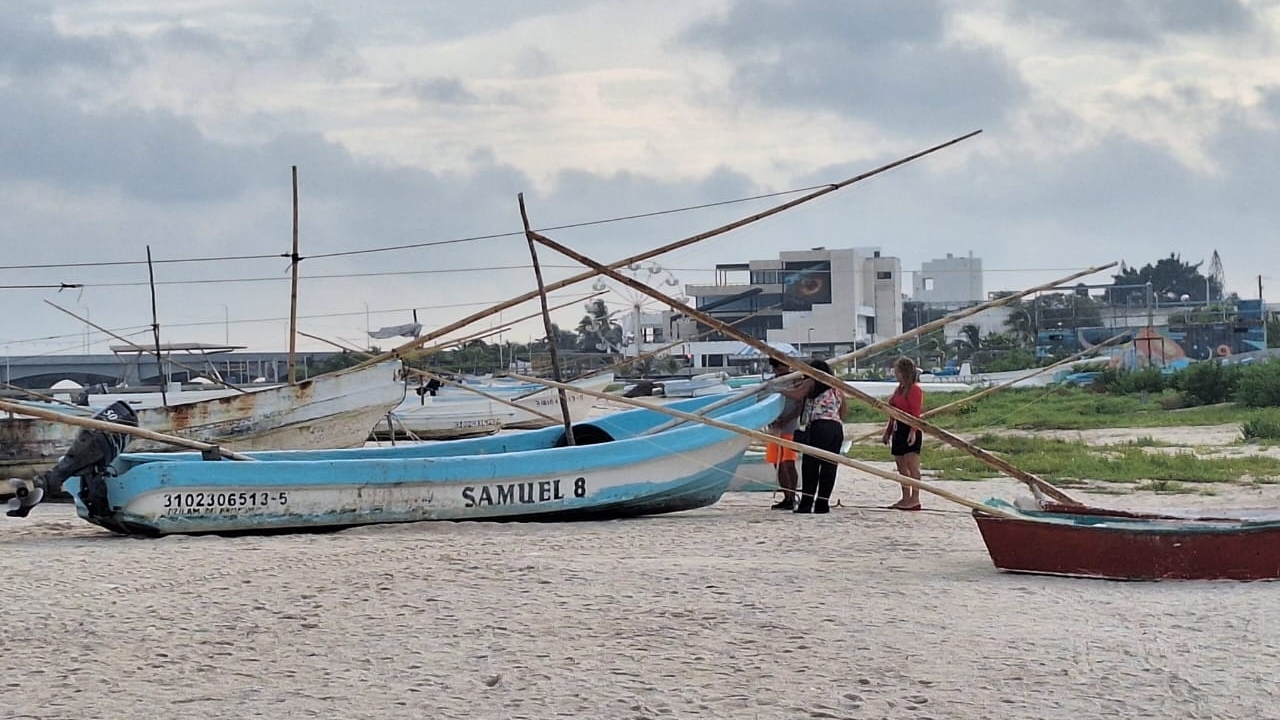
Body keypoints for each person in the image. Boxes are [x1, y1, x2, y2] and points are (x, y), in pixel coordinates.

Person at [781, 359, 846, 514]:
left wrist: (779, 390)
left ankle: (806, 503)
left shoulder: (812, 382)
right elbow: (843, 411)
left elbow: (797, 395)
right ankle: (822, 503)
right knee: (829, 467)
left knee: (810, 466)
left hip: (818, 426)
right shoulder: (837, 387)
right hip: (836, 428)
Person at [882, 356, 924, 510]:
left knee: (912, 466)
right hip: (898, 428)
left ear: (903, 372)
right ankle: (905, 498)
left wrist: (913, 431)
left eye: (897, 371)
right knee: (901, 467)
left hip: (910, 428)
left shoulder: (914, 390)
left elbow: (915, 413)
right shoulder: (899, 389)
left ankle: (915, 498)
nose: (895, 373)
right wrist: (888, 432)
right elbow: (893, 412)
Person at [764, 357, 802, 510]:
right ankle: (786, 496)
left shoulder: (795, 380)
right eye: (780, 367)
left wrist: (785, 420)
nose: (784, 369)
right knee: (777, 463)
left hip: (790, 427)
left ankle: (792, 495)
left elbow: (800, 404)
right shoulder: (771, 383)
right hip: (774, 427)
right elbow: (764, 402)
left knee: (788, 462)